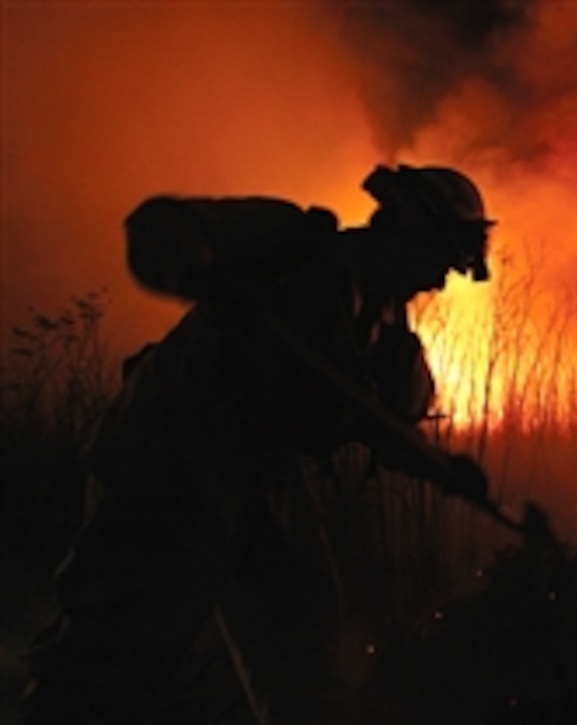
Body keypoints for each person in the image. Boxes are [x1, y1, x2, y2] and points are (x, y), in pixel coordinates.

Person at [22, 164, 495, 723]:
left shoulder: (386, 332)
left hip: (253, 490)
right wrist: (205, 275)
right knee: (104, 668)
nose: (439, 282)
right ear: (406, 228)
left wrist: (442, 467)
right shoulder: (285, 245)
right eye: (438, 260)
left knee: (303, 652)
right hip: (164, 471)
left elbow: (384, 426)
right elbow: (157, 227)